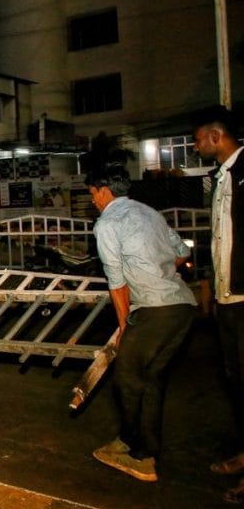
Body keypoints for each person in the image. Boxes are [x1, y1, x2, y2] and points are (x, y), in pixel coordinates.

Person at [86, 165, 196, 482]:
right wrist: (158, 272)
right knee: (151, 379)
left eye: (93, 192)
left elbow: (117, 283)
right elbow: (180, 252)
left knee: (127, 380)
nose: (92, 199)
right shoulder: (148, 213)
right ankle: (133, 441)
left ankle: (142, 455)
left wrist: (125, 327)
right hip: (181, 307)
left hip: (155, 311)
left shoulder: (108, 223)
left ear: (104, 191)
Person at [194, 110, 244, 503]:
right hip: (229, 298)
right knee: (236, 382)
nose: (195, 147)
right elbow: (219, 236)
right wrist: (212, 287)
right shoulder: (221, 177)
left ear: (216, 136)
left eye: (198, 141)